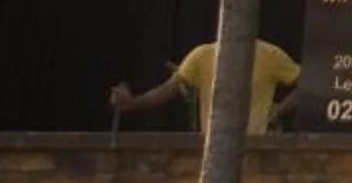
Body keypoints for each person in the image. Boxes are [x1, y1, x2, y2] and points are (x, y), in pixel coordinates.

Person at [111, 38, 301, 135]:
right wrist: (133, 102)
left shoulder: (269, 54)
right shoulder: (201, 55)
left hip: (258, 146)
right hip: (214, 148)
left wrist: (276, 111)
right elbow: (169, 89)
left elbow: (308, 84)